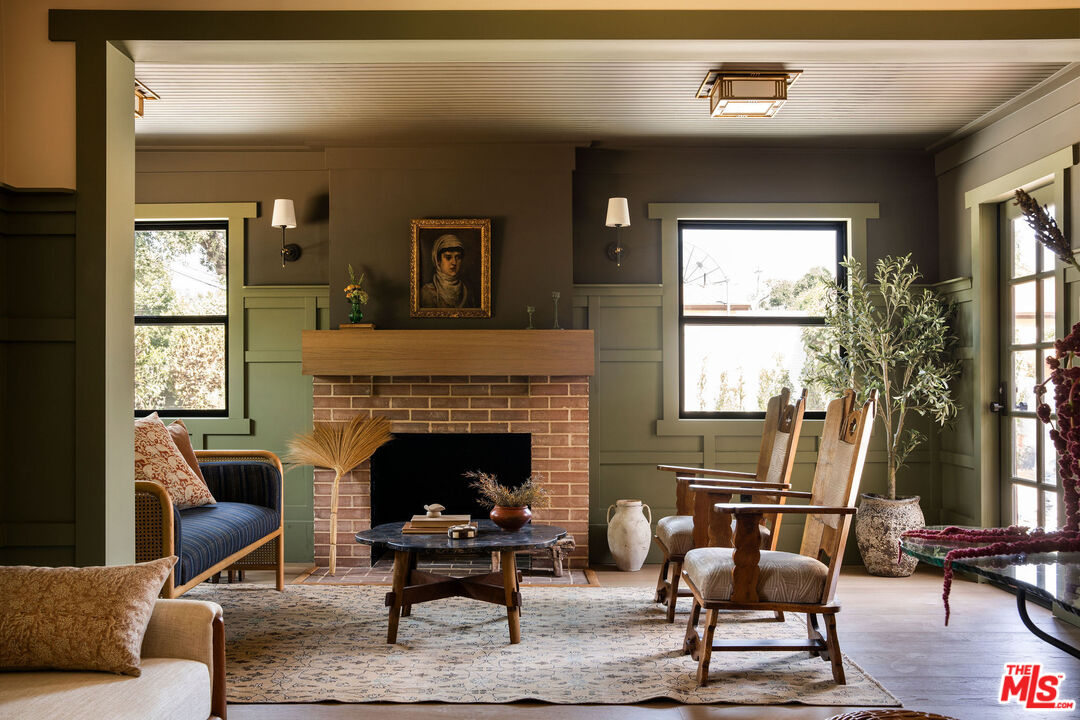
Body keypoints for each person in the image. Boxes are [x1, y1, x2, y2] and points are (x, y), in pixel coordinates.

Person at [420, 233, 476, 308]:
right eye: (448, 257)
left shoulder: (467, 291)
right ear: (438, 261)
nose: (454, 263)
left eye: (458, 257)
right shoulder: (427, 292)